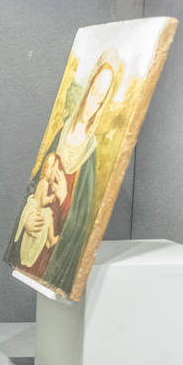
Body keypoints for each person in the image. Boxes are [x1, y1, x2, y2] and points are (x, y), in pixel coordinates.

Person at [28, 50, 119, 293]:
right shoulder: (62, 133)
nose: (94, 104)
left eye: (101, 98)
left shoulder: (90, 152)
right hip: (35, 242)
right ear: (86, 88)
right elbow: (34, 186)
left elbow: (83, 218)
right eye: (93, 93)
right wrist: (27, 217)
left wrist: (64, 195)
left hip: (58, 255)